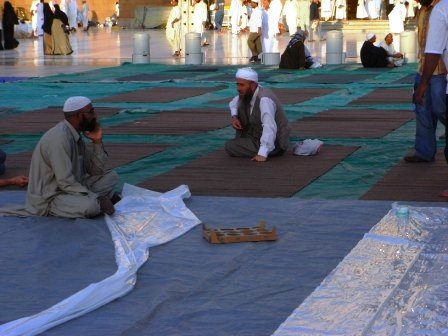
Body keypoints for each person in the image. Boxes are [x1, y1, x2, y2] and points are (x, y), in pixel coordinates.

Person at [25, 96, 119, 218]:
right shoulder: (59, 138)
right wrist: (95, 197)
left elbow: (95, 171)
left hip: (72, 188)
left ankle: (98, 200)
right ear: (79, 116)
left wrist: (97, 142)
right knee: (91, 206)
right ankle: (98, 201)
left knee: (112, 177)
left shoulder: (75, 136)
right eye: (91, 112)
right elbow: (65, 182)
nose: (94, 115)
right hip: (52, 196)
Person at [405, 0, 446, 163]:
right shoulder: (422, 11)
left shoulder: (442, 8)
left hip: (441, 70)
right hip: (423, 68)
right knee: (422, 110)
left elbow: (436, 48)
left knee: (440, 109)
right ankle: (424, 151)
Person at [225, 68, 290, 162]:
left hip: (276, 143)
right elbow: (233, 103)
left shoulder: (264, 99)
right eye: (237, 84)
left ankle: (266, 149)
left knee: (230, 146)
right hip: (255, 136)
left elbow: (269, 126)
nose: (238, 88)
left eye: (242, 85)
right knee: (241, 106)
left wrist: (262, 154)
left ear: (252, 85)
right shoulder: (247, 93)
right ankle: (252, 144)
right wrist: (234, 117)